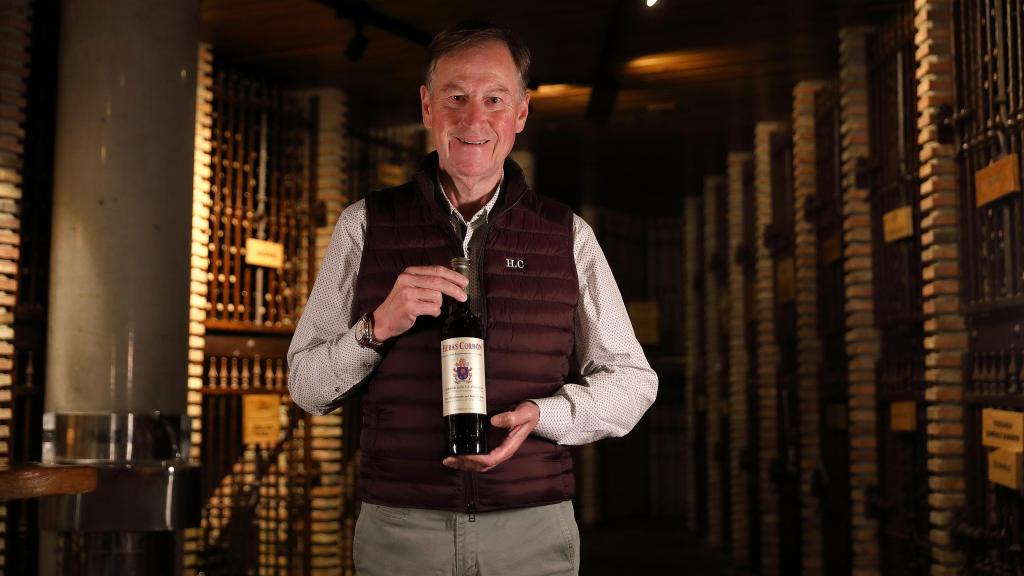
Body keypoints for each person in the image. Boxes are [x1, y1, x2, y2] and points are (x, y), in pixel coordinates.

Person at [287, 20, 657, 576]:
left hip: (532, 527)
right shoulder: (363, 226)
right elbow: (306, 387)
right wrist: (377, 326)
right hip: (400, 528)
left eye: (494, 99)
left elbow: (633, 382)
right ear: (427, 106)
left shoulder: (567, 235)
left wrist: (545, 414)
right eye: (455, 97)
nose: (474, 118)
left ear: (521, 113)